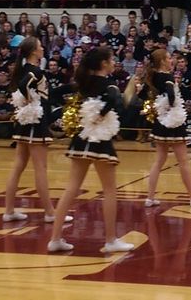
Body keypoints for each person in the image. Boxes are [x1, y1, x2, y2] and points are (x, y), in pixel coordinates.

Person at [47, 48, 135, 254]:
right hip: (100, 140)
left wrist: (76, 111)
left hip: (81, 138)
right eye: (112, 59)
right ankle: (111, 240)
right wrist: (101, 114)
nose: (114, 62)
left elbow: (55, 93)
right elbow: (115, 100)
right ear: (104, 64)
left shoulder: (83, 84)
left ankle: (55, 239)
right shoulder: (109, 84)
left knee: (71, 188)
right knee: (110, 190)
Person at [2, 38, 70, 223]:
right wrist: (29, 102)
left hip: (27, 121)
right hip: (34, 123)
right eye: (40, 46)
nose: (43, 48)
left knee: (18, 166)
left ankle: (9, 211)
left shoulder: (25, 69)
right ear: (33, 51)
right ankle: (49, 213)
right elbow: (24, 86)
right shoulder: (35, 71)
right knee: (40, 168)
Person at [136, 48, 191, 208]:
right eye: (168, 58)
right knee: (183, 162)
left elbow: (141, 96)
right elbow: (171, 95)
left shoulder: (152, 77)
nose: (172, 60)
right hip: (173, 123)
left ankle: (150, 197)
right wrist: (171, 105)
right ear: (162, 61)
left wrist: (159, 106)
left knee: (159, 161)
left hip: (161, 123)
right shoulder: (167, 77)